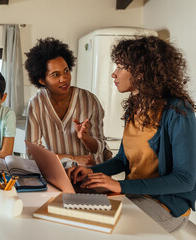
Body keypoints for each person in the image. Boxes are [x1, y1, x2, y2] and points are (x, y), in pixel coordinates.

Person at [67, 36, 196, 233]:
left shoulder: (178, 111)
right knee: (74, 208)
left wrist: (119, 186)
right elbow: (122, 160)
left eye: (120, 67)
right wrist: (91, 172)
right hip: (134, 195)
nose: (113, 73)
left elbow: (185, 179)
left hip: (166, 207)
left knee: (99, 229)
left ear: (142, 71)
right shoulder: (134, 109)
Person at [24, 37, 111, 166]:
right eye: (55, 75)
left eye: (66, 71)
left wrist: (86, 138)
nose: (64, 79)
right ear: (42, 80)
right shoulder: (36, 104)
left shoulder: (89, 100)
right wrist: (72, 159)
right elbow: (32, 152)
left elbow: (99, 148)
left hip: (91, 172)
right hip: (59, 172)